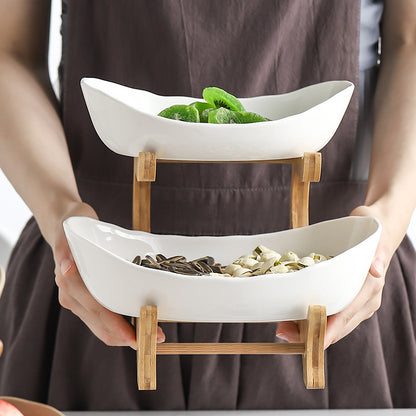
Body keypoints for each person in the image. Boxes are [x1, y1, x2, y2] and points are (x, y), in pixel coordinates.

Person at [0, 0, 415, 410]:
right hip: (96, 275)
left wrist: (385, 221)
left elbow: (409, 40)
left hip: (339, 276)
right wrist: (63, 217)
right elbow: (9, 50)